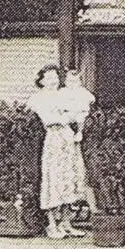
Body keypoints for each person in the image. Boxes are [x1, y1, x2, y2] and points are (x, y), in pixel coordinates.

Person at [28, 65, 87, 239]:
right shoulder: (37, 98)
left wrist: (67, 116)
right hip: (53, 140)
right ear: (41, 81)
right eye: (49, 78)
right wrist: (64, 116)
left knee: (70, 177)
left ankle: (66, 223)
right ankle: (51, 224)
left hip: (67, 139)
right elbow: (48, 120)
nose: (53, 81)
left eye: (55, 77)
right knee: (54, 179)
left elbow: (77, 114)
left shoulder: (63, 95)